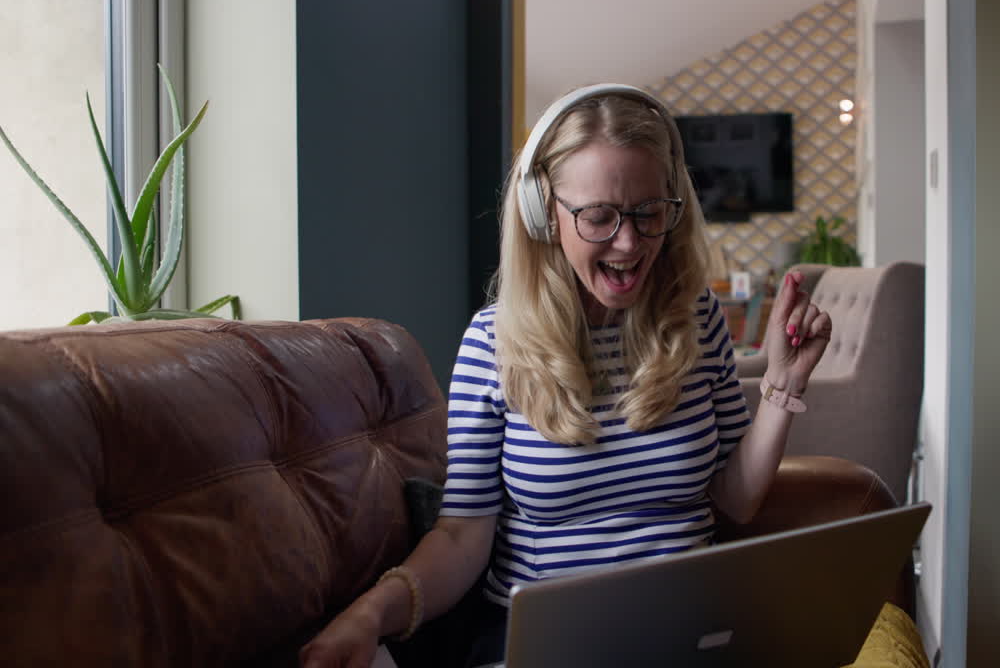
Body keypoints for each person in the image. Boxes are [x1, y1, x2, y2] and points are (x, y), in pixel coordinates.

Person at [300, 84, 832, 668]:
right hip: (549, 646)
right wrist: (371, 614)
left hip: (688, 632)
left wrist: (784, 383)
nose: (628, 243)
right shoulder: (492, 342)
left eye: (648, 213)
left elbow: (738, 501)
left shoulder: (696, 317)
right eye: (598, 217)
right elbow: (461, 535)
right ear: (543, 215)